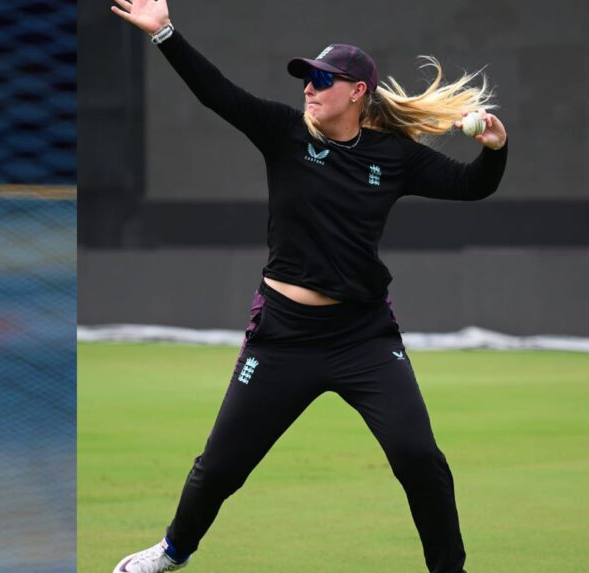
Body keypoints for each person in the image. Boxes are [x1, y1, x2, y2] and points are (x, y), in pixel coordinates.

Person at [109, 1, 507, 572]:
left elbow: (472, 187)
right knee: (220, 467)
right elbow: (216, 93)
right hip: (283, 337)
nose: (310, 89)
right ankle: (173, 551)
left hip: (363, 338)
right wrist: (164, 33)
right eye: (307, 79)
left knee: (419, 457)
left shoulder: (392, 157)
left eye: (324, 80)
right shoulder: (282, 133)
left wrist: (496, 151)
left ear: (357, 92)